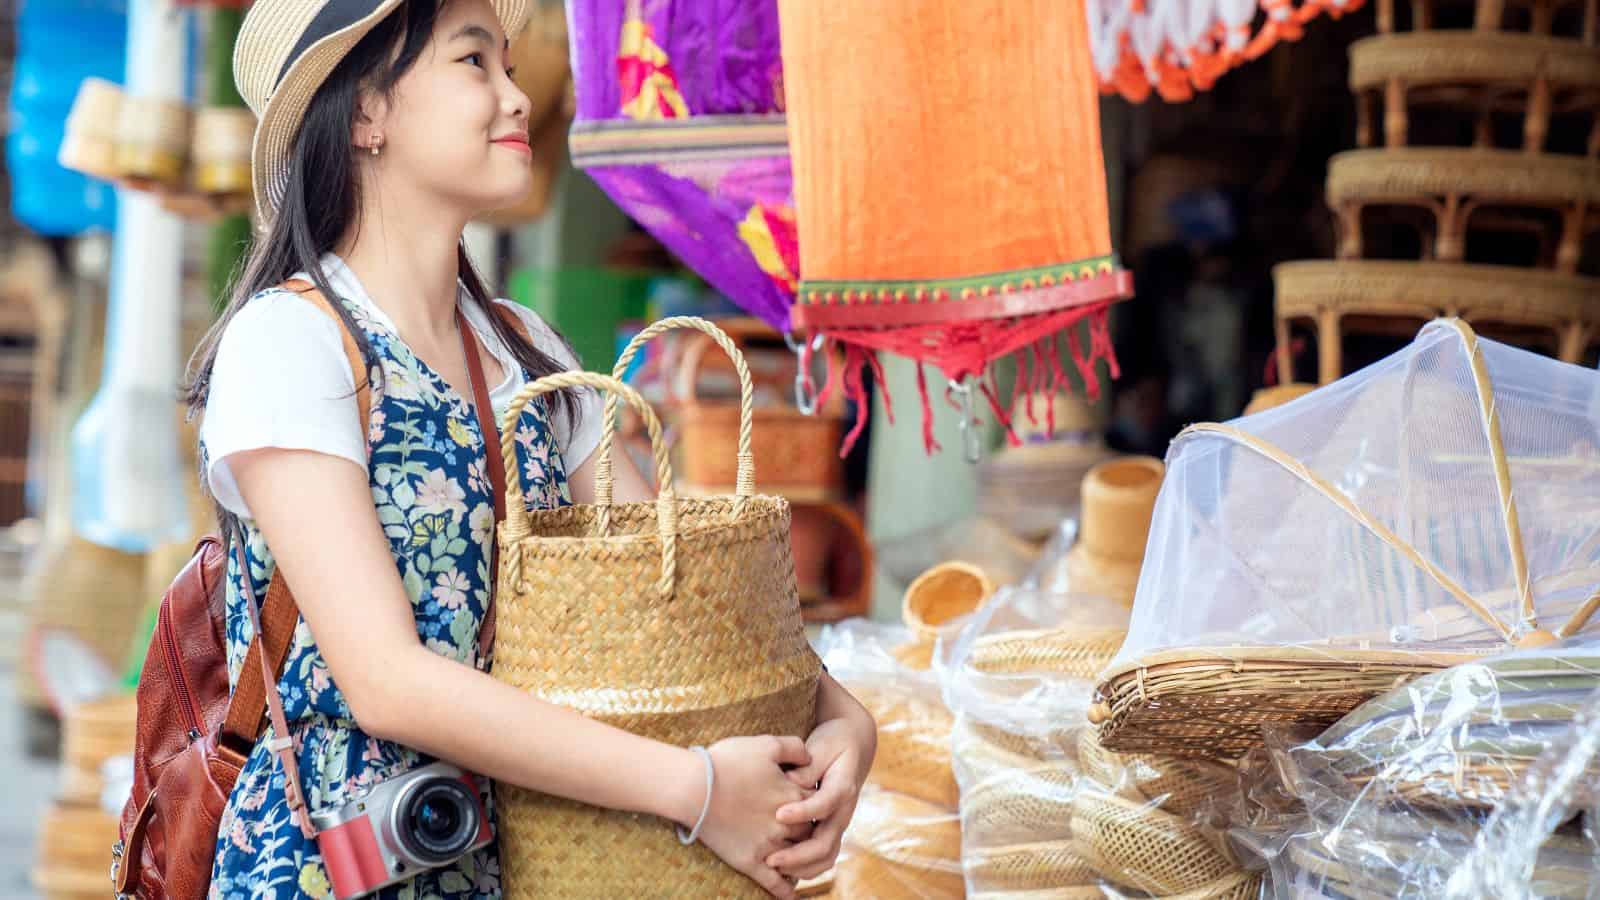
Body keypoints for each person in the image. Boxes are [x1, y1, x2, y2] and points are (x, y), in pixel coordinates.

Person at [186, 1, 877, 897]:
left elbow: (674, 583)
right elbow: (387, 682)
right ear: (366, 113)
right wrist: (695, 791)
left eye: (509, 65)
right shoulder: (290, 343)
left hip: (525, 864)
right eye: (475, 63)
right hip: (333, 871)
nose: (518, 99)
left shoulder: (526, 352)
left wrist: (836, 715)